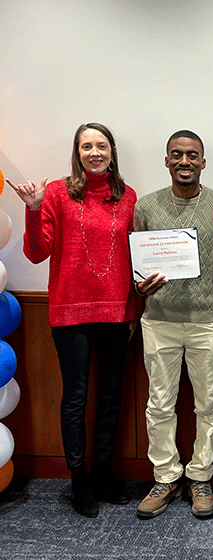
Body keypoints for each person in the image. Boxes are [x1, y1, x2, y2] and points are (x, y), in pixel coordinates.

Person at [7, 123, 137, 517]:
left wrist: (136, 309)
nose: (94, 152)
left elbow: (137, 258)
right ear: (77, 152)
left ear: (112, 151)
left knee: (111, 395)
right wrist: (32, 209)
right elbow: (35, 253)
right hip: (70, 311)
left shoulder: (128, 197)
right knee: (76, 397)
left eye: (101, 145)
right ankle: (78, 479)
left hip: (117, 309)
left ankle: (103, 473)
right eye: (86, 146)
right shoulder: (58, 194)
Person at [134, 130, 213, 520]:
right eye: (176, 154)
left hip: (207, 320)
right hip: (159, 320)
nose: (185, 161)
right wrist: (139, 283)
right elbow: (139, 266)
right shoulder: (147, 207)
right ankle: (165, 476)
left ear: (203, 162)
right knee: (159, 404)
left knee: (208, 405)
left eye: (192, 155)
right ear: (166, 160)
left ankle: (200, 477)